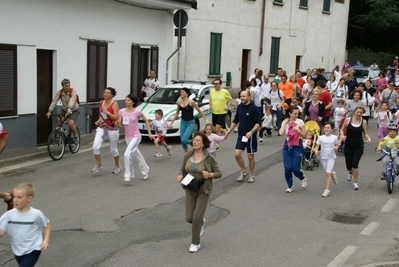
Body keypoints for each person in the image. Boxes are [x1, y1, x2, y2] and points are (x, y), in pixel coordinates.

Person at [176, 132, 222, 253]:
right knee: (189, 218)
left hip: (203, 189)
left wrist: (210, 174)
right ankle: (202, 222)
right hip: (190, 188)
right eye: (193, 140)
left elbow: (219, 173)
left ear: (203, 144)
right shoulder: (187, 156)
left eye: (197, 140)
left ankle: (195, 243)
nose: (194, 142)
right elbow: (182, 170)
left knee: (196, 217)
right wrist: (180, 175)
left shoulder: (209, 158)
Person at [0, 183, 51, 267]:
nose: (15, 200)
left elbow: (47, 225)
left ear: (29, 198)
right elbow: (1, 231)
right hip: (17, 250)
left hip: (33, 249)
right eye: (14, 197)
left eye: (19, 197)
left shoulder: (36, 214)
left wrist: (46, 240)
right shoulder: (8, 215)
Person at [225, 90, 261, 183]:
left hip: (250, 136)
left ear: (249, 97)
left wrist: (251, 132)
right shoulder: (240, 107)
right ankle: (244, 171)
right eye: (241, 96)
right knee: (237, 154)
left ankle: (252, 175)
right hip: (241, 134)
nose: (242, 98)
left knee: (250, 157)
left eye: (244, 96)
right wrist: (229, 130)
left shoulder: (254, 108)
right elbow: (236, 120)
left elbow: (258, 123)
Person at [117, 94, 154, 182]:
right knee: (136, 154)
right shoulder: (121, 111)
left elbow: (146, 121)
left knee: (127, 154)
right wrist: (118, 124)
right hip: (127, 137)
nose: (126, 101)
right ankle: (145, 170)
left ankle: (128, 174)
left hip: (136, 136)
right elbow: (120, 124)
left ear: (133, 102)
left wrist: (149, 133)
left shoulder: (137, 111)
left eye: (129, 100)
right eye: (126, 99)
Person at [340, 106, 371, 190]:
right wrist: (342, 136)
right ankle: (350, 172)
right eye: (358, 112)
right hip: (348, 145)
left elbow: (365, 133)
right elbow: (342, 129)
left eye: (361, 112)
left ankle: (355, 182)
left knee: (355, 164)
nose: (359, 114)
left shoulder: (363, 122)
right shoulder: (348, 120)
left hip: (359, 146)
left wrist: (368, 138)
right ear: (355, 112)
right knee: (349, 166)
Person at [91, 87, 122, 173]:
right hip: (102, 127)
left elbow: (116, 117)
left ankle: (117, 165)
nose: (105, 94)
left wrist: (107, 113)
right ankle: (99, 164)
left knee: (113, 150)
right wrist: (98, 120)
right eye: (104, 92)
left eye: (108, 93)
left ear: (112, 95)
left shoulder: (114, 104)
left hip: (112, 128)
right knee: (95, 147)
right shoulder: (101, 102)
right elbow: (101, 114)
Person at [169, 88, 209, 152]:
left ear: (187, 94)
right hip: (183, 123)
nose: (181, 93)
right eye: (181, 92)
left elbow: (199, 110)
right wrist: (171, 122)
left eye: (183, 92)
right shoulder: (179, 102)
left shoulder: (191, 102)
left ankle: (200, 144)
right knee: (182, 141)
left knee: (184, 139)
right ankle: (187, 155)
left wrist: (206, 119)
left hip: (190, 123)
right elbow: (177, 113)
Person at [279, 106, 308, 193]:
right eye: (294, 114)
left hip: (297, 145)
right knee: (287, 168)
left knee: (295, 168)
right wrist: (284, 123)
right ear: (290, 113)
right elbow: (280, 133)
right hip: (287, 145)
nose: (296, 115)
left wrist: (298, 130)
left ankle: (302, 177)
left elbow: (304, 135)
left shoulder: (300, 122)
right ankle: (290, 186)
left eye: (297, 113)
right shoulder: (286, 122)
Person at [46, 78, 80, 144]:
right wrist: (49, 111)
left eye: (69, 85)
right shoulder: (60, 92)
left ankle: (76, 136)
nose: (68, 87)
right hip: (64, 110)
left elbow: (72, 101)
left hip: (73, 110)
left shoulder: (73, 92)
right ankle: (59, 136)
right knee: (58, 120)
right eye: (66, 86)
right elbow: (54, 101)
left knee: (70, 123)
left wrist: (69, 109)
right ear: (62, 86)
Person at [314, 122, 340, 197]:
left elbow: (337, 145)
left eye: (328, 128)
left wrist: (336, 147)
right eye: (325, 127)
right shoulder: (320, 137)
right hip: (323, 157)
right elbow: (317, 146)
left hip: (331, 157)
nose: (326, 129)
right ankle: (333, 174)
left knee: (327, 173)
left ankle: (327, 190)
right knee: (328, 172)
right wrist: (316, 151)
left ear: (332, 129)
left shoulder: (334, 137)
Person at [209, 78, 232, 149]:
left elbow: (230, 99)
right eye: (214, 84)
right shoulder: (212, 91)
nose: (215, 85)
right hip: (214, 112)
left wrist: (227, 106)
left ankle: (217, 145)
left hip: (222, 112)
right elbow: (210, 100)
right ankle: (224, 130)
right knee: (215, 129)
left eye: (216, 84)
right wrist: (210, 106)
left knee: (217, 128)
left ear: (220, 84)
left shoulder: (225, 92)